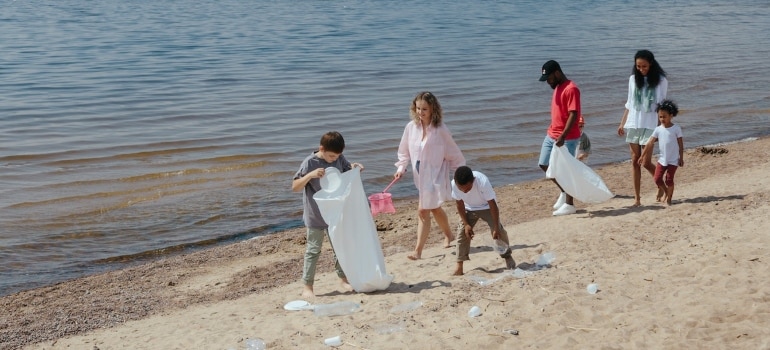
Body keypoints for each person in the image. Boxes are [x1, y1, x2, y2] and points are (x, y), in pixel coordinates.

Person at [292, 131, 364, 298]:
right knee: (313, 250)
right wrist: (310, 175)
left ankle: (343, 279)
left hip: (335, 214)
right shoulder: (310, 162)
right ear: (321, 148)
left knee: (339, 247)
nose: (333, 159)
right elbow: (295, 186)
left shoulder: (339, 158)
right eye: (331, 156)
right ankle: (308, 286)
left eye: (337, 156)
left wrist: (354, 168)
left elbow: (346, 173)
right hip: (315, 215)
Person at [395, 91, 466, 260]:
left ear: (433, 108)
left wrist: (461, 174)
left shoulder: (440, 130)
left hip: (435, 174)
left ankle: (417, 251)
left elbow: (453, 152)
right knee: (433, 207)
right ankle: (449, 234)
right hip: (419, 173)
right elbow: (404, 151)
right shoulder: (411, 127)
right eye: (418, 108)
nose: (420, 112)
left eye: (424, 109)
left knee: (423, 210)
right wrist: (401, 168)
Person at [617, 50, 669, 206]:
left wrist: (662, 127)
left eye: (644, 66)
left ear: (651, 64)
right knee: (634, 161)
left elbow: (662, 105)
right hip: (634, 123)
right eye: (638, 66)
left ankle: (662, 185)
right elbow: (629, 103)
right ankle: (637, 199)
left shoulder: (661, 80)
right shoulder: (633, 79)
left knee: (645, 162)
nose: (641, 69)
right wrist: (622, 123)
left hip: (651, 124)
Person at [450, 166, 515, 275]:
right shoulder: (454, 184)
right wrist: (466, 224)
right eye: (461, 189)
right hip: (469, 208)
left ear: (473, 181)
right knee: (462, 233)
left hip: (486, 207)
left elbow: (493, 205)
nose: (464, 191)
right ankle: (459, 266)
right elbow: (459, 204)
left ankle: (507, 257)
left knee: (499, 232)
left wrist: (495, 227)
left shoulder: (482, 181)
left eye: (467, 188)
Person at [538, 60, 582, 216]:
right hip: (552, 134)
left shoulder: (571, 89)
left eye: (549, 78)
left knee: (567, 170)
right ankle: (564, 192)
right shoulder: (557, 87)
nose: (548, 82)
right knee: (543, 164)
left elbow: (574, 114)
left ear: (557, 73)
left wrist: (563, 135)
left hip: (567, 137)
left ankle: (570, 205)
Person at [639, 100, 683, 205]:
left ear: (671, 115)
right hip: (662, 159)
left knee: (669, 180)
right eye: (660, 117)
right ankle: (666, 191)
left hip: (673, 160)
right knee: (657, 178)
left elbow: (681, 145)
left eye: (664, 116)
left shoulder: (676, 128)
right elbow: (650, 143)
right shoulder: (658, 129)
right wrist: (642, 156)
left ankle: (669, 199)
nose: (662, 119)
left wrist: (681, 158)